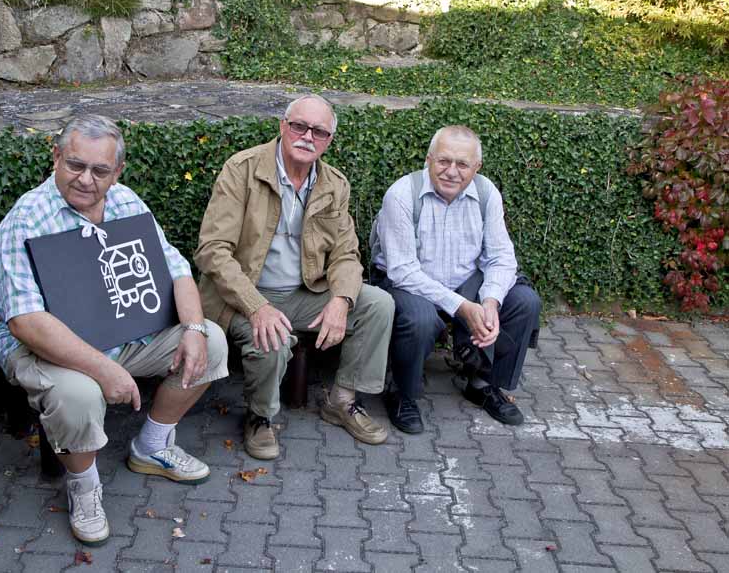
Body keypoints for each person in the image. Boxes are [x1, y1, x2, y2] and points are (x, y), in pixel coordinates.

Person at [0, 115, 228, 545]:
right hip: (42, 346)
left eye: (100, 170)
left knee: (210, 342)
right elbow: (25, 320)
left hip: (122, 332)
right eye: (75, 165)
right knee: (79, 395)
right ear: (56, 157)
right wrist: (103, 369)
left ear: (117, 171)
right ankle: (83, 486)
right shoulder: (25, 218)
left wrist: (193, 328)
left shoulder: (125, 201)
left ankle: (152, 445)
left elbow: (176, 269)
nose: (86, 179)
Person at [194, 94, 394, 460]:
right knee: (271, 337)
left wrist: (341, 300)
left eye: (319, 131)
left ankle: (342, 400)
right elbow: (213, 250)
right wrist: (256, 306)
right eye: (299, 126)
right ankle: (259, 417)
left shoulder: (334, 184)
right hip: (241, 294)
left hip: (303, 292)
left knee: (377, 304)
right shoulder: (242, 169)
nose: (307, 137)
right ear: (283, 126)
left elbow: (346, 254)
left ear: (329, 140)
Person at [370, 125, 541, 434]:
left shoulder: (486, 193)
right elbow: (402, 270)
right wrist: (462, 306)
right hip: (409, 284)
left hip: (466, 282)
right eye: (443, 161)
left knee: (524, 301)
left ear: (477, 167)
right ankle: (402, 393)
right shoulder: (402, 194)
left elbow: (501, 257)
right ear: (428, 160)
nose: (451, 171)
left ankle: (482, 383)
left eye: (462, 164)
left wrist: (490, 302)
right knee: (420, 318)